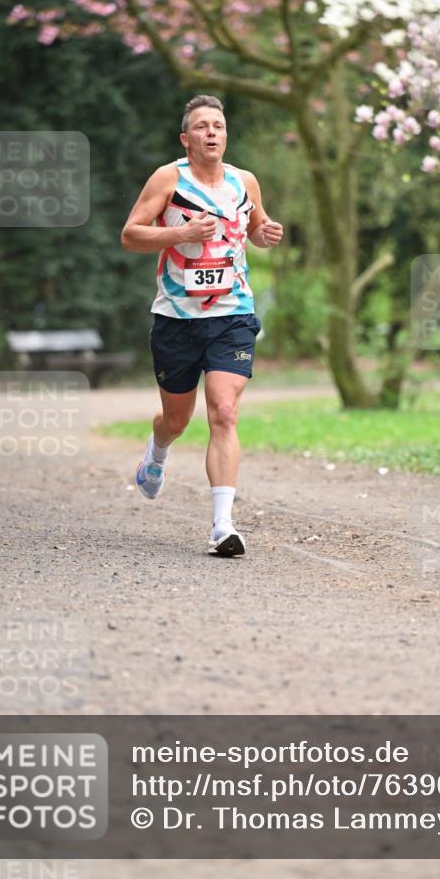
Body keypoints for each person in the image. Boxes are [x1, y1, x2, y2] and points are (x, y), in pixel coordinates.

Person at [121, 95, 283, 557]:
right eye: (203, 126)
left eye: (219, 125)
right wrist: (181, 233)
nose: (212, 133)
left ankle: (222, 525)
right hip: (176, 319)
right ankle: (157, 451)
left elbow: (255, 226)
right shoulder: (169, 179)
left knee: (223, 412)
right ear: (186, 138)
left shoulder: (244, 181)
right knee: (177, 418)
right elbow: (131, 234)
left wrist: (266, 233)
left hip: (231, 315)